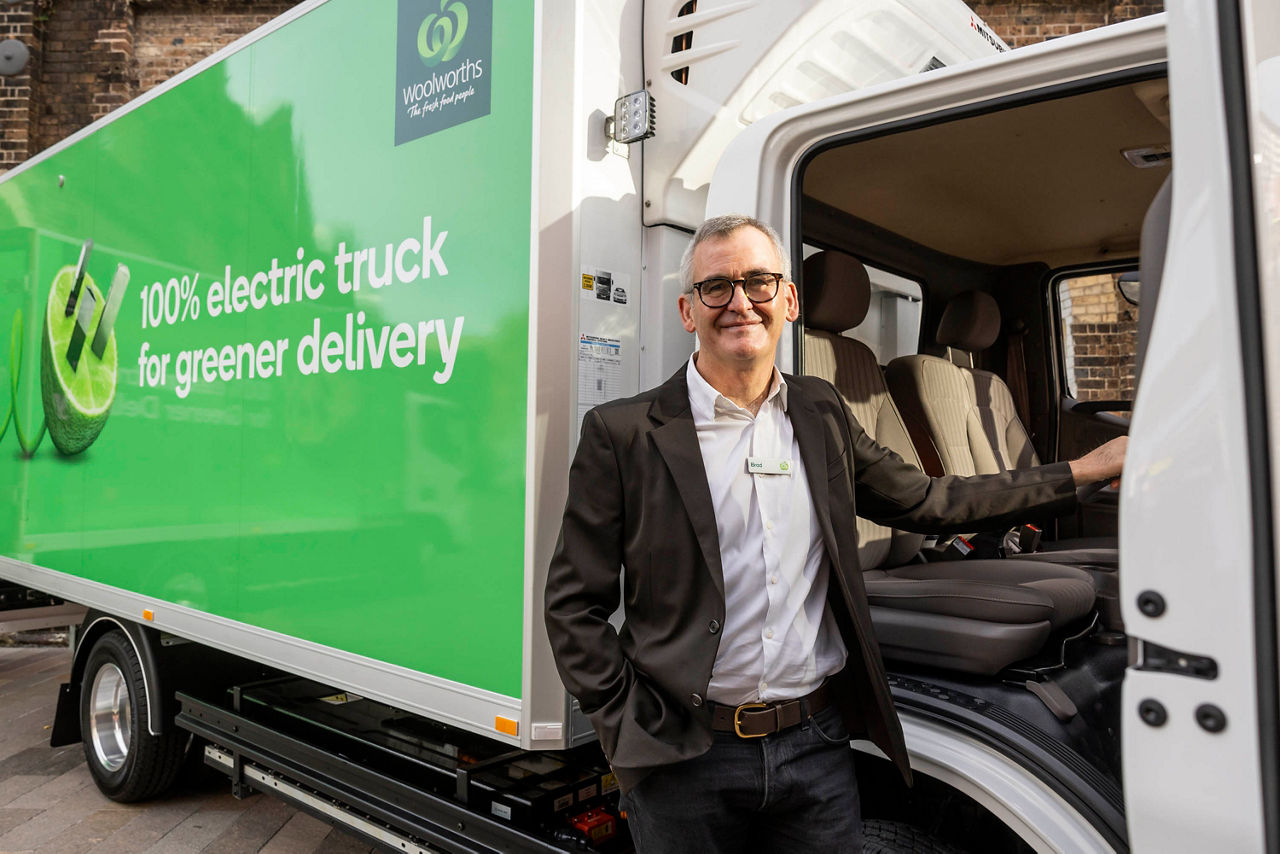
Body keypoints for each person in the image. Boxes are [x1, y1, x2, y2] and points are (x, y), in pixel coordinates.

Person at [544, 214, 1126, 853]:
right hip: (684, 755)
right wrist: (628, 728)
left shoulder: (820, 410)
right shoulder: (623, 432)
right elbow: (574, 606)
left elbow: (932, 500)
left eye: (759, 282)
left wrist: (1081, 472)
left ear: (788, 300)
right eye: (717, 287)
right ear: (689, 310)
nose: (740, 302)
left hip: (813, 745)